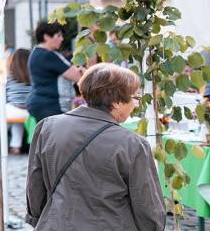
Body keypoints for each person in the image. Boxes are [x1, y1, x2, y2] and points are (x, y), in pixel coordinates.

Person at [25, 63, 165, 230]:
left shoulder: (47, 127)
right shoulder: (132, 144)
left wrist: (41, 219)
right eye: (135, 97)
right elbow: (147, 206)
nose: (136, 104)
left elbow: (35, 187)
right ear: (117, 102)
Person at [28, 21, 83, 124]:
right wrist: (83, 70)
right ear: (46, 36)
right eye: (58, 36)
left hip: (41, 103)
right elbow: (77, 77)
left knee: (48, 138)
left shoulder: (36, 53)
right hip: (52, 105)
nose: (62, 39)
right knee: (58, 139)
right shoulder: (48, 55)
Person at [1, 48, 32, 154]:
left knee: (1, 116)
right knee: (15, 121)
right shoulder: (34, 76)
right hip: (29, 112)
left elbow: (3, 96)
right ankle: (15, 146)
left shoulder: (9, 77)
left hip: (12, 110)